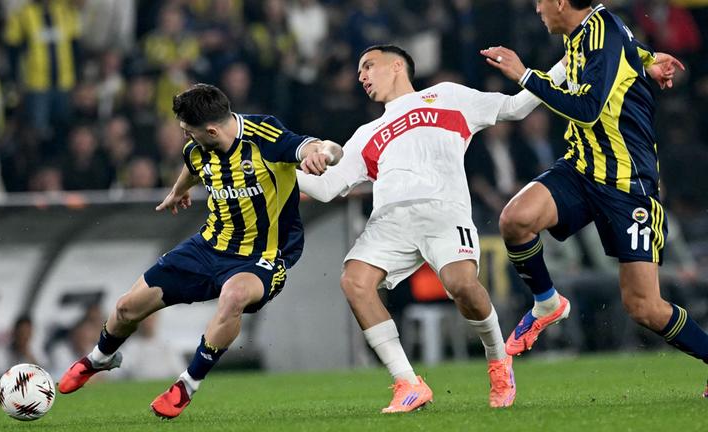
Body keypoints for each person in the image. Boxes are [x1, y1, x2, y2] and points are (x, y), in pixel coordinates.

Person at [296, 44, 567, 412]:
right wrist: (278, 172)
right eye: (359, 70)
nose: (361, 75)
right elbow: (327, 188)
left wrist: (568, 64)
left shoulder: (448, 96)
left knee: (462, 287)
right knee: (354, 281)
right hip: (390, 219)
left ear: (397, 66)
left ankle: (498, 360)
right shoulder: (365, 133)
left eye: (368, 66)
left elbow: (517, 106)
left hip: (443, 210)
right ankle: (408, 382)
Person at [57, 83, 343, 418]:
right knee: (125, 309)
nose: (184, 137)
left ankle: (187, 384)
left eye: (187, 131)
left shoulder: (264, 136)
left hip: (263, 256)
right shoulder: (198, 148)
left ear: (210, 129)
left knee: (233, 297)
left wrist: (322, 154)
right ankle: (101, 358)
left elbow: (323, 146)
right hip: (207, 246)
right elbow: (194, 167)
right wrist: (178, 191)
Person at [481, 0, 708, 396]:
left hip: (626, 184)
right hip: (581, 168)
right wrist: (648, 59)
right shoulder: (589, 30)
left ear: (561, 3)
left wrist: (524, 75)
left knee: (644, 307)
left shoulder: (600, 37)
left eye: (540, 1)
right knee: (515, 220)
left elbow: (587, 110)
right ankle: (547, 303)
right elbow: (627, 44)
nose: (537, 9)